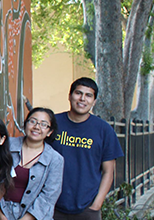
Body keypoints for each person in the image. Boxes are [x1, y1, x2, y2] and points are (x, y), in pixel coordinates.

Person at [50, 77, 122, 220]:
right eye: (78, 93)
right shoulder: (53, 124)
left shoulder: (104, 130)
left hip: (87, 209)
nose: (82, 99)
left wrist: (97, 204)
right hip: (52, 205)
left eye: (88, 95)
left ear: (94, 102)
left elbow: (108, 171)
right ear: (70, 96)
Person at [0, 107, 64, 220]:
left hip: (35, 217)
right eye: (32, 121)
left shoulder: (55, 159)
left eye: (43, 124)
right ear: (25, 124)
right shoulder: (7, 146)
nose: (36, 127)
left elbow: (49, 196)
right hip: (1, 212)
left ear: (50, 132)